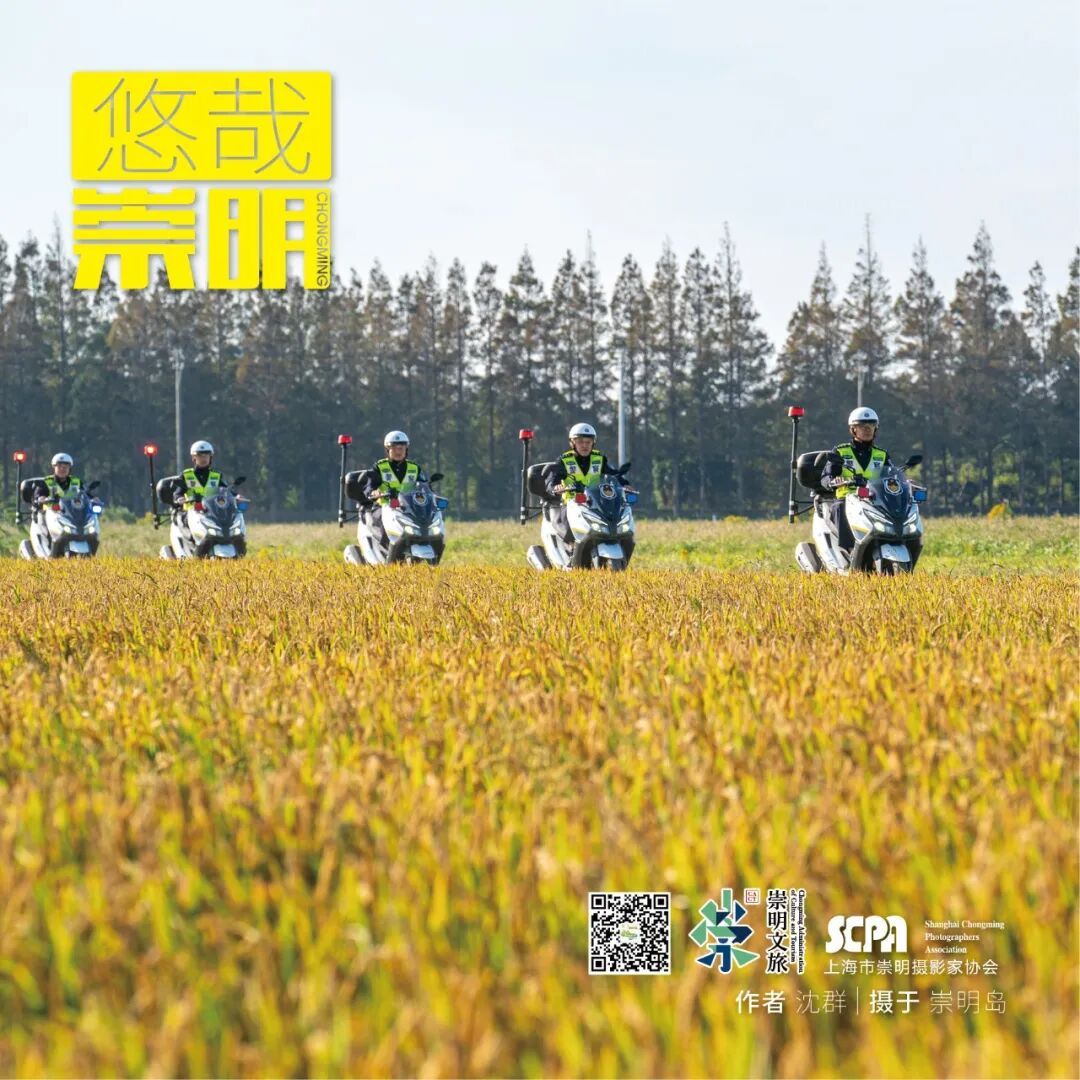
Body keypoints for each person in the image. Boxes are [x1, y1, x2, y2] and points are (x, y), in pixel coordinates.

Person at [819, 407, 891, 550]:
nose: (867, 429)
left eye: (871, 425)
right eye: (862, 426)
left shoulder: (882, 455)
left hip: (874, 500)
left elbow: (891, 476)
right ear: (853, 429)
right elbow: (826, 477)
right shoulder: (841, 451)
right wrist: (834, 482)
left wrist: (905, 483)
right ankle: (848, 550)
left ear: (876, 428)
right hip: (848, 499)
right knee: (840, 507)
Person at [543, 422, 619, 539]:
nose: (584, 445)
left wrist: (622, 485)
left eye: (588, 442)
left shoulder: (600, 459)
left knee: (615, 528)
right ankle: (572, 546)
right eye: (580, 442)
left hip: (595, 505)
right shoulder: (564, 460)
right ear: (572, 443)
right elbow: (552, 479)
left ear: (593, 443)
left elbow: (613, 477)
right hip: (571, 505)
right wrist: (555, 487)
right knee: (570, 534)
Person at [159, 441, 223, 512]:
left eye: (206, 455)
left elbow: (226, 493)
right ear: (193, 457)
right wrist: (179, 498)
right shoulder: (187, 475)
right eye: (199, 455)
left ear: (210, 457)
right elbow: (178, 493)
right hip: (191, 514)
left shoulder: (216, 476)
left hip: (212, 514)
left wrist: (231, 497)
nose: (203, 458)